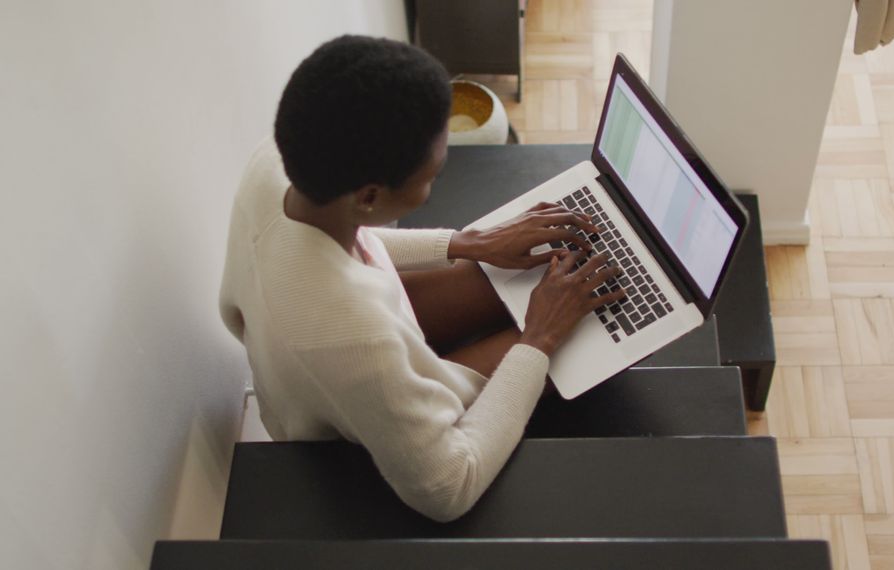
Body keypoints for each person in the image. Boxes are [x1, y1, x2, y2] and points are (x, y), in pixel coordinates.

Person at [218, 35, 625, 522]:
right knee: (578, 335)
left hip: (327, 346)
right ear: (369, 197)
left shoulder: (275, 168)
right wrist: (539, 339)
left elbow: (336, 246)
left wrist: (466, 243)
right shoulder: (356, 336)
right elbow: (448, 488)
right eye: (433, 173)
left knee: (512, 273)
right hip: (346, 410)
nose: (438, 176)